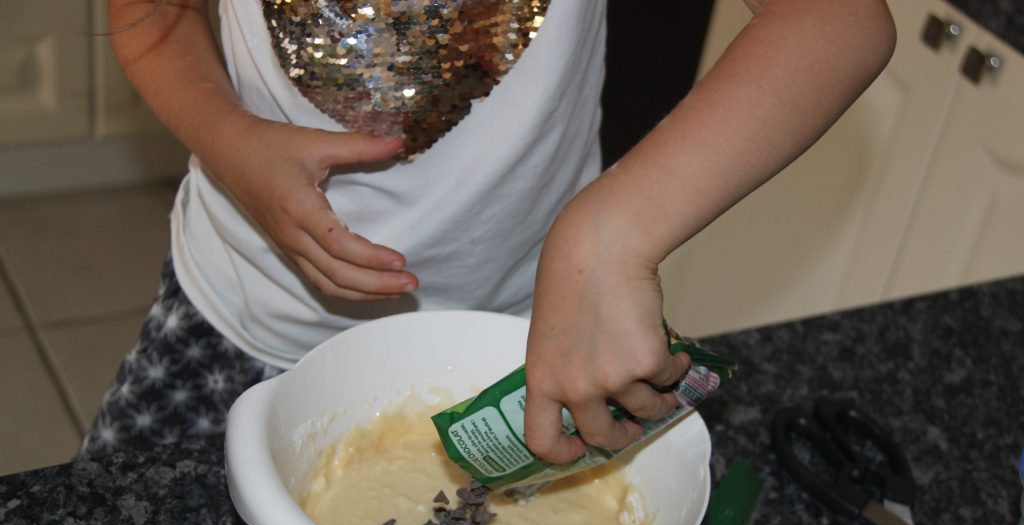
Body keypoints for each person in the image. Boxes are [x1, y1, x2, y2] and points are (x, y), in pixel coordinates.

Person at [83, 0, 896, 461]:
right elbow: (153, 19)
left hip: (512, 352)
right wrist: (230, 142)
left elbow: (835, 20)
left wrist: (611, 231)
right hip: (235, 320)